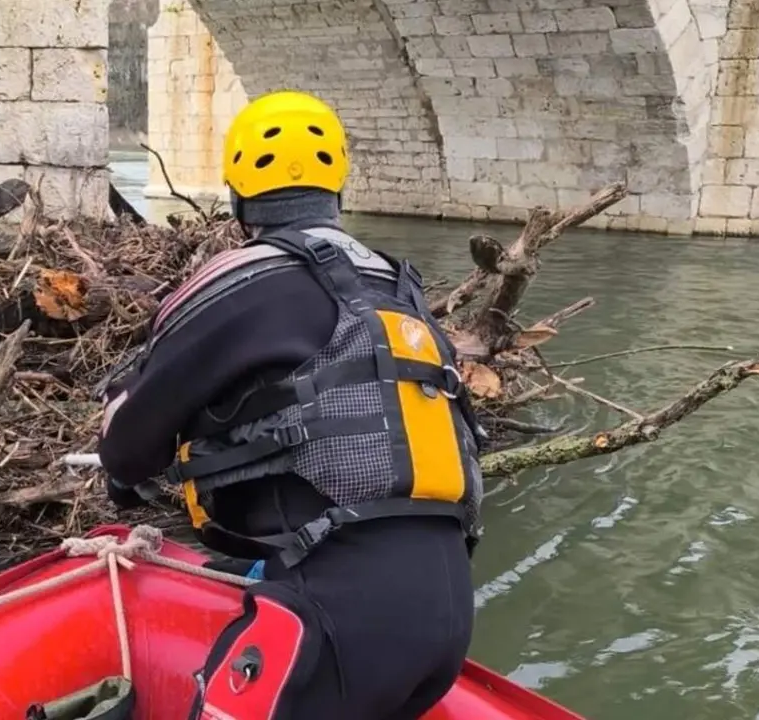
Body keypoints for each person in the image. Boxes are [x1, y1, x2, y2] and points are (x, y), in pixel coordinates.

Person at [97, 90, 486, 720]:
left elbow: (127, 450)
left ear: (238, 196)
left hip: (336, 619)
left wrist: (122, 433)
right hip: (445, 618)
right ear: (338, 188)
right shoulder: (398, 290)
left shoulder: (235, 282)